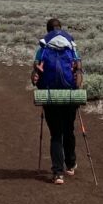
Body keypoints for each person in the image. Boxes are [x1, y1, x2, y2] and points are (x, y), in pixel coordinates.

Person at [31, 16, 82, 185]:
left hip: (50, 95)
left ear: (48, 31)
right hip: (69, 96)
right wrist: (76, 89)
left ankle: (58, 173)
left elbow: (35, 78)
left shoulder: (43, 48)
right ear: (61, 28)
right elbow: (79, 72)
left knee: (55, 134)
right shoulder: (72, 46)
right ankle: (71, 164)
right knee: (69, 129)